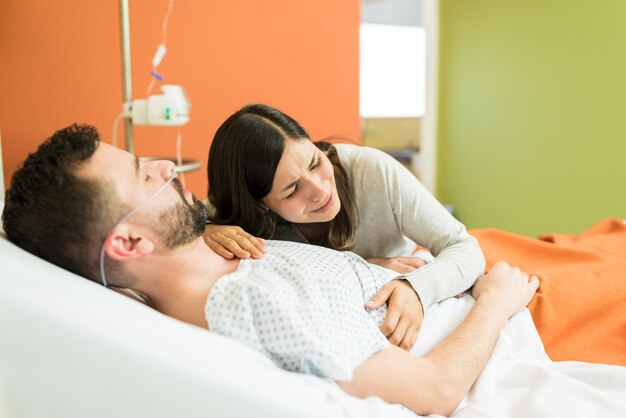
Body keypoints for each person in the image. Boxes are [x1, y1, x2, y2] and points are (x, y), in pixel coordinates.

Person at [2, 124, 539, 417]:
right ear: (128, 241)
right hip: (495, 323)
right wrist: (496, 299)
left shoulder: (220, 246)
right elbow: (435, 390)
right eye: (146, 177)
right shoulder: (252, 303)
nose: (168, 166)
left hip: (449, 283)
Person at [205, 104, 486, 350]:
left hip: (404, 288)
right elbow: (178, 226)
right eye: (292, 190)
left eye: (315, 162)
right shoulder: (235, 213)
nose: (319, 190)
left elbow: (464, 246)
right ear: (259, 205)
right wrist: (205, 232)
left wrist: (415, 289)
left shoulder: (373, 171)